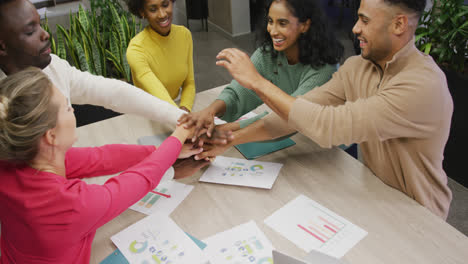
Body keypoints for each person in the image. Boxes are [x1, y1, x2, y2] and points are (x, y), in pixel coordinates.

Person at [194, 0, 453, 219]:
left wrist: (257, 83)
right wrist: (228, 138)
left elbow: (327, 126)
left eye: (364, 20)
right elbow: (296, 116)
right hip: (376, 197)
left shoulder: (423, 85)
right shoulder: (357, 68)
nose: (355, 28)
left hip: (420, 216)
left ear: (398, 24)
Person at [0, 67, 200, 263]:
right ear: (51, 136)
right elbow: (136, 181)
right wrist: (179, 135)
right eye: (68, 108)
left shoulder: (18, 159)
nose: (74, 109)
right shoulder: (72, 205)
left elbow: (99, 158)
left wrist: (161, 151)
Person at [0, 0, 212, 178]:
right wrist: (163, 160)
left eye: (40, 25)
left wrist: (181, 123)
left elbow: (113, 93)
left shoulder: (53, 66)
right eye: (31, 31)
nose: (45, 34)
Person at [178, 0, 343, 140]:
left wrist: (226, 131)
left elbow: (291, 117)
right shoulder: (268, 53)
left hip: (325, 147)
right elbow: (239, 93)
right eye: (271, 21)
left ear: (305, 25)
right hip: (294, 140)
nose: (272, 30)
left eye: (282, 23)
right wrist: (210, 112)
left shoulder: (325, 69)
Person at [126, 0, 195, 112]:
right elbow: (158, 94)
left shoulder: (184, 35)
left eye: (165, 5)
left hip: (176, 107)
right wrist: (180, 117)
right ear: (142, 12)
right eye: (153, 9)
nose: (162, 14)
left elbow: (189, 83)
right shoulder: (136, 49)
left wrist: (185, 109)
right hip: (147, 113)